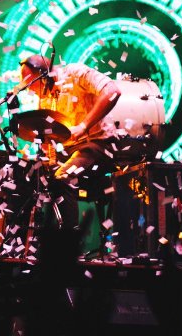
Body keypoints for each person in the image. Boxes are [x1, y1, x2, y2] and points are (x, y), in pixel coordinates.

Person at [16, 54, 128, 232]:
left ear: (43, 74)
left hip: (99, 144)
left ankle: (68, 244)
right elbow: (49, 133)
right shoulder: (45, 97)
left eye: (32, 83)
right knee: (30, 177)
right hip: (73, 150)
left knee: (63, 177)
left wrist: (83, 126)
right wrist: (47, 147)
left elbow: (113, 91)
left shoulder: (75, 73)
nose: (30, 89)